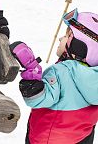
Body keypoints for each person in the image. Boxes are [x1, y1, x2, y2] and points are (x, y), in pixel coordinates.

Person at [10, 9, 98, 144]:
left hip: (48, 138)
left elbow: (38, 99)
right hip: (81, 137)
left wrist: (32, 76)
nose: (60, 38)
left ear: (79, 46)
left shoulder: (61, 71)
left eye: (67, 36)